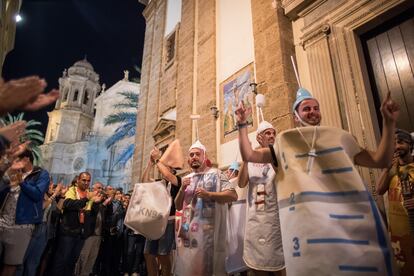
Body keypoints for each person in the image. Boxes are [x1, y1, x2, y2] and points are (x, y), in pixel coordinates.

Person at [236, 88, 399, 275]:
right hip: (309, 225)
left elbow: (381, 160)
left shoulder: (340, 138)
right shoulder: (284, 143)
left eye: (316, 108)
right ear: (296, 116)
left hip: (343, 222)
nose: (312, 111)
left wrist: (389, 122)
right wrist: (242, 125)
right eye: (306, 108)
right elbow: (249, 154)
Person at [174, 140, 237, 276]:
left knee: (210, 270)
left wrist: (209, 194)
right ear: (188, 160)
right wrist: (182, 189)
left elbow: (233, 195)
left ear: (204, 156)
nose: (194, 157)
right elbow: (178, 206)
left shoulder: (217, 174)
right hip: (188, 235)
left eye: (197, 154)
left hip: (210, 236)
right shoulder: (187, 178)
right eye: (191, 155)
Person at [237, 121, 285, 275]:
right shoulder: (252, 157)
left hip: (275, 217)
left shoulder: (279, 154)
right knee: (256, 264)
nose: (271, 136)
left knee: (280, 261)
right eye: (267, 133)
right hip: (255, 219)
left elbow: (284, 176)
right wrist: (247, 158)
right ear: (259, 136)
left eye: (273, 133)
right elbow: (241, 182)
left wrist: (270, 151)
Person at [0, 149, 50, 276]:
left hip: (21, 226)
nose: (13, 162)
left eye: (16, 159)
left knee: (11, 265)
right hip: (2, 222)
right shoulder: (11, 172)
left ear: (26, 159)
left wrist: (22, 183)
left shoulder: (41, 174)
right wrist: (6, 178)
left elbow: (37, 195)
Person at [376, 128, 414, 275]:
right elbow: (379, 190)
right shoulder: (392, 170)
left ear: (410, 144)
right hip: (398, 237)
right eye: (393, 144)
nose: (396, 147)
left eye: (400, 142)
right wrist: (386, 169)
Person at [50, 172, 103, 276]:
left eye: (88, 180)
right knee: (61, 261)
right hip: (68, 231)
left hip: (80, 233)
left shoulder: (89, 193)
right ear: (78, 180)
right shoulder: (72, 190)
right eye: (84, 180)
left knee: (72, 262)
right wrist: (87, 198)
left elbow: (91, 213)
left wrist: (96, 203)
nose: (86, 183)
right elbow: (69, 205)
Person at [141, 144, 182, 276]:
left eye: (165, 166)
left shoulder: (177, 180)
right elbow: (143, 181)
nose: (161, 169)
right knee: (148, 254)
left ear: (172, 169)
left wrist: (158, 160)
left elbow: (167, 175)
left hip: (169, 222)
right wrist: (150, 163)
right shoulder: (159, 182)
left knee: (163, 255)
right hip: (155, 221)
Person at [224, 161, 249, 275]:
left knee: (233, 249)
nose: (226, 173)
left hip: (234, 221)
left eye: (228, 171)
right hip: (242, 221)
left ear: (234, 172)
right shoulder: (243, 183)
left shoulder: (229, 184)